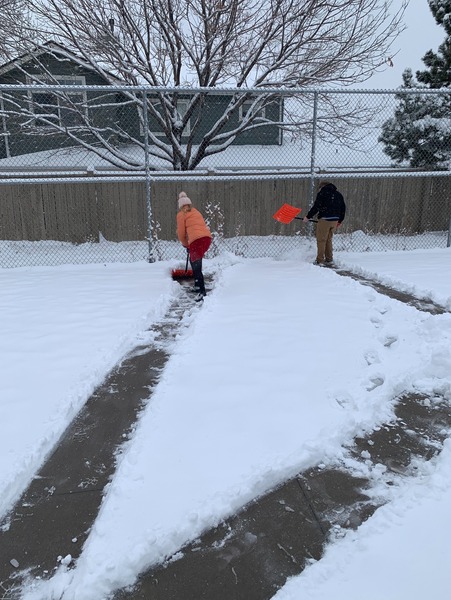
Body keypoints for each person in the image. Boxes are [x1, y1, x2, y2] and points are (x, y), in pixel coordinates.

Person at [176, 191, 212, 300]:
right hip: (206, 239)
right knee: (194, 261)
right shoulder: (196, 211)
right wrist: (189, 245)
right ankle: (197, 286)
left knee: (196, 267)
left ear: (181, 206)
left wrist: (185, 244)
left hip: (197, 240)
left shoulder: (181, 214)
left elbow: (181, 233)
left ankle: (202, 292)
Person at [303, 181, 346, 265]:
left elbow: (316, 206)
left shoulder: (322, 193)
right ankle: (329, 259)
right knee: (328, 239)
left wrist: (308, 217)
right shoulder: (338, 194)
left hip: (325, 219)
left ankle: (320, 260)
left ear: (322, 187)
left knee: (321, 240)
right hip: (335, 220)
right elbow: (343, 208)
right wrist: (340, 220)